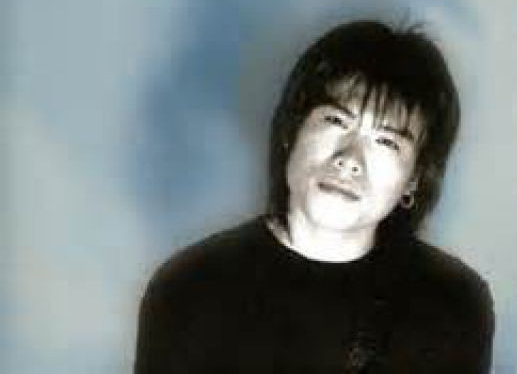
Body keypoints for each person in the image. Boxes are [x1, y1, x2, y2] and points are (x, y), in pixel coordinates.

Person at [134, 20, 494, 373]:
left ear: (414, 179)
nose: (350, 160)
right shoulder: (190, 288)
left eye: (386, 141)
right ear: (291, 131)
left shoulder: (453, 305)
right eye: (336, 121)